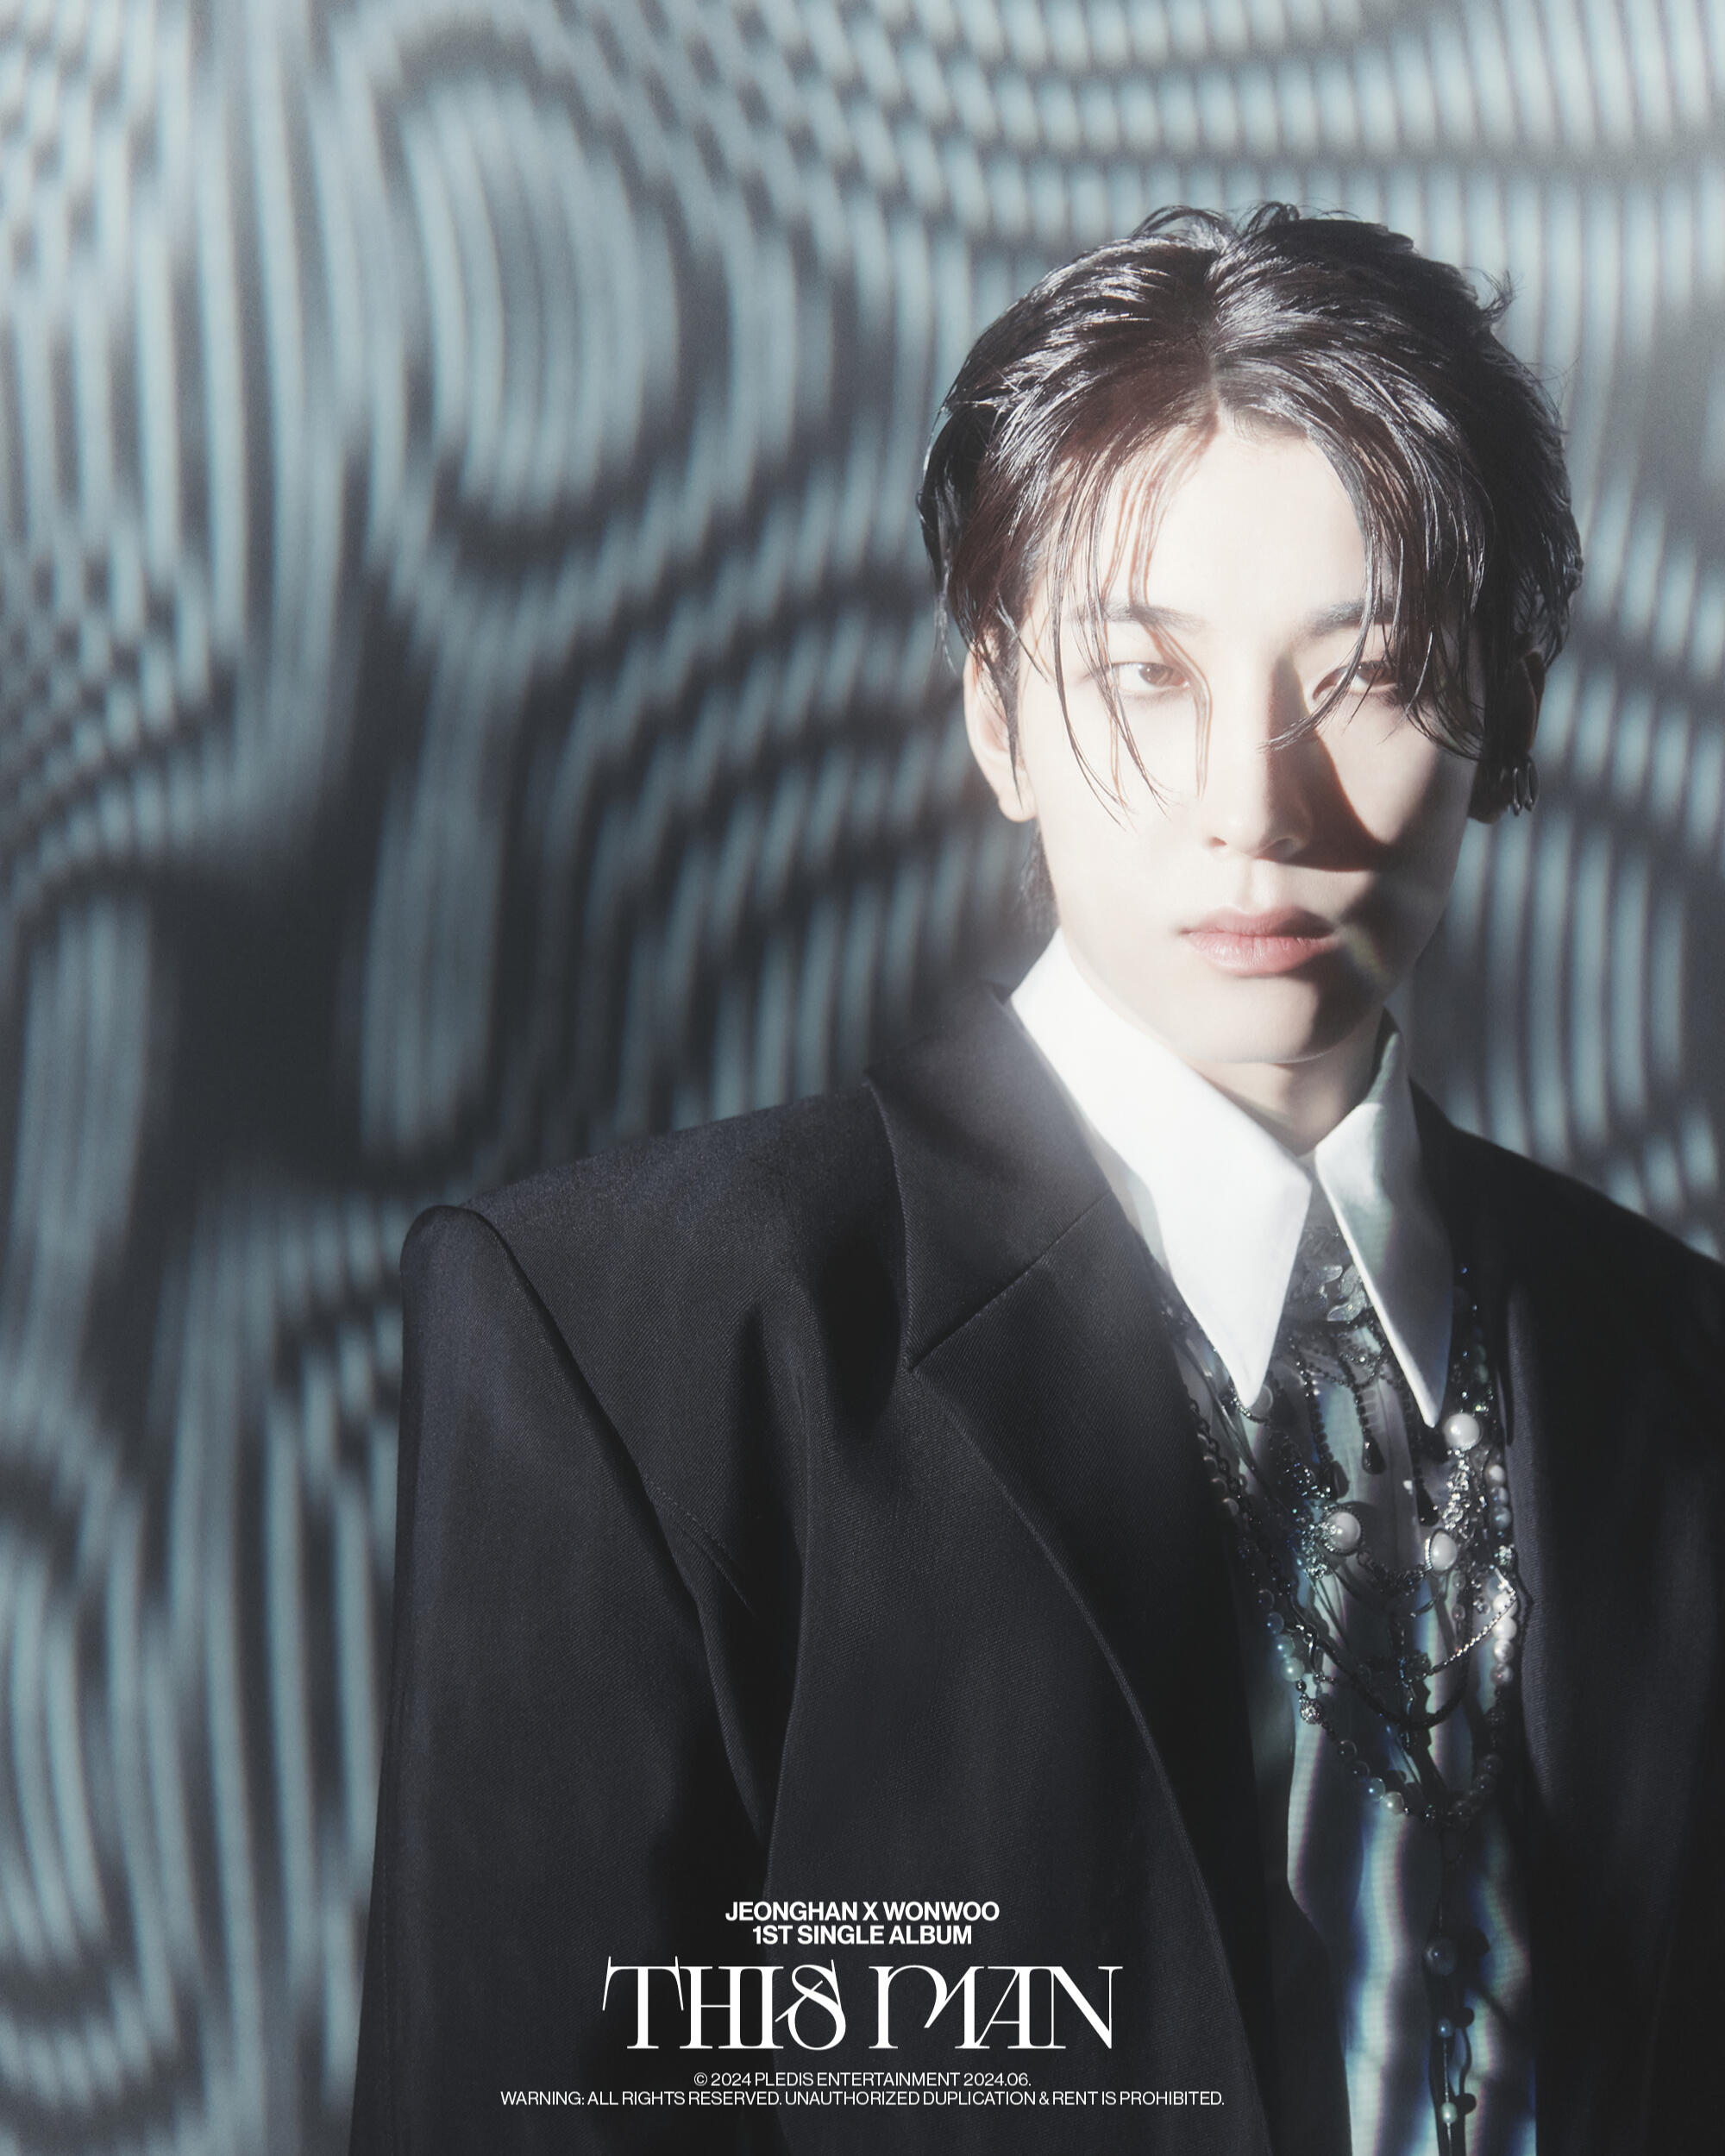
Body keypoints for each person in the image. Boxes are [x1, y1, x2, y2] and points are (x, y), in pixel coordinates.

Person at [349, 208, 1723, 2155]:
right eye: (1141, 676)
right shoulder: (635, 1345)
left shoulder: (1674, 1365)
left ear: (1501, 699)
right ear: (995, 711)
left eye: (1367, 673)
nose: (1254, 805)